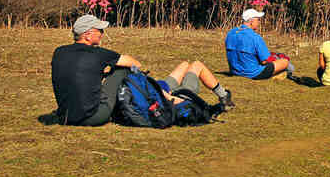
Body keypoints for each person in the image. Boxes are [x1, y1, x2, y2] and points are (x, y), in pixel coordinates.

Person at [51, 15, 233, 126]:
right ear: (88, 34)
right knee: (122, 70)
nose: (102, 34)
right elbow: (134, 63)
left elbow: (77, 78)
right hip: (94, 116)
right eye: (100, 30)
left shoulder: (59, 52)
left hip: (66, 115)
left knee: (185, 65)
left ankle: (160, 90)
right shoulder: (98, 53)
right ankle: (169, 96)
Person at [225, 8, 293, 80]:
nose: (259, 22)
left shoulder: (231, 33)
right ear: (251, 22)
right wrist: (276, 58)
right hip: (252, 73)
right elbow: (265, 61)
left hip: (235, 71)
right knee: (285, 62)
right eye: (258, 20)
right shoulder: (255, 37)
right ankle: (278, 74)